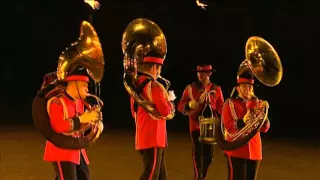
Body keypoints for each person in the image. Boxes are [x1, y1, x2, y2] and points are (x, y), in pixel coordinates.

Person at [43, 67, 104, 180]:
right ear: (74, 84)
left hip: (77, 149)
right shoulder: (57, 102)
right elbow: (58, 126)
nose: (87, 88)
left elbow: (80, 127)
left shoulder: (80, 102)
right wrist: (82, 119)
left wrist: (92, 123)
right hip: (61, 152)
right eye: (84, 85)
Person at [130, 55, 176, 180]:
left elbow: (133, 111)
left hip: (143, 134)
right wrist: (170, 102)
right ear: (155, 67)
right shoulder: (154, 86)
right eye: (159, 68)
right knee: (151, 175)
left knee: (161, 175)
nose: (159, 72)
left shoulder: (136, 85)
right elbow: (165, 111)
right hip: (154, 136)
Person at [177, 65, 224, 180]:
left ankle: (203, 175)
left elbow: (221, 107)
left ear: (209, 74)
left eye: (203, 72)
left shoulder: (216, 88)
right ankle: (199, 177)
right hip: (196, 125)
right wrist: (189, 105)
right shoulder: (190, 88)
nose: (200, 74)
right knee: (198, 151)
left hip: (211, 125)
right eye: (198, 72)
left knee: (209, 155)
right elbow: (180, 106)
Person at [222, 70, 270, 180]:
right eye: (244, 86)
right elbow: (228, 126)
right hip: (236, 150)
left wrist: (265, 117)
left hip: (255, 149)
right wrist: (242, 121)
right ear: (238, 88)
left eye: (250, 87)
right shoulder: (230, 103)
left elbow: (264, 129)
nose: (247, 89)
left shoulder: (258, 103)